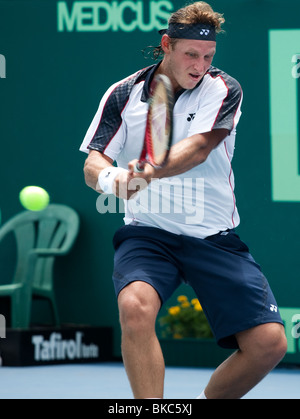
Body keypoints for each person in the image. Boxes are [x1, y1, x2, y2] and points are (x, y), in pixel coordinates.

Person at [80, 1, 287, 399]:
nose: (200, 65)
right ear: (166, 45)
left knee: (269, 344)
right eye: (191, 54)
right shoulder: (123, 94)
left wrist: (143, 171)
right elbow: (94, 161)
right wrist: (110, 179)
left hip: (213, 237)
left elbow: (197, 149)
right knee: (135, 308)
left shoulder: (222, 88)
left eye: (208, 56)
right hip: (149, 235)